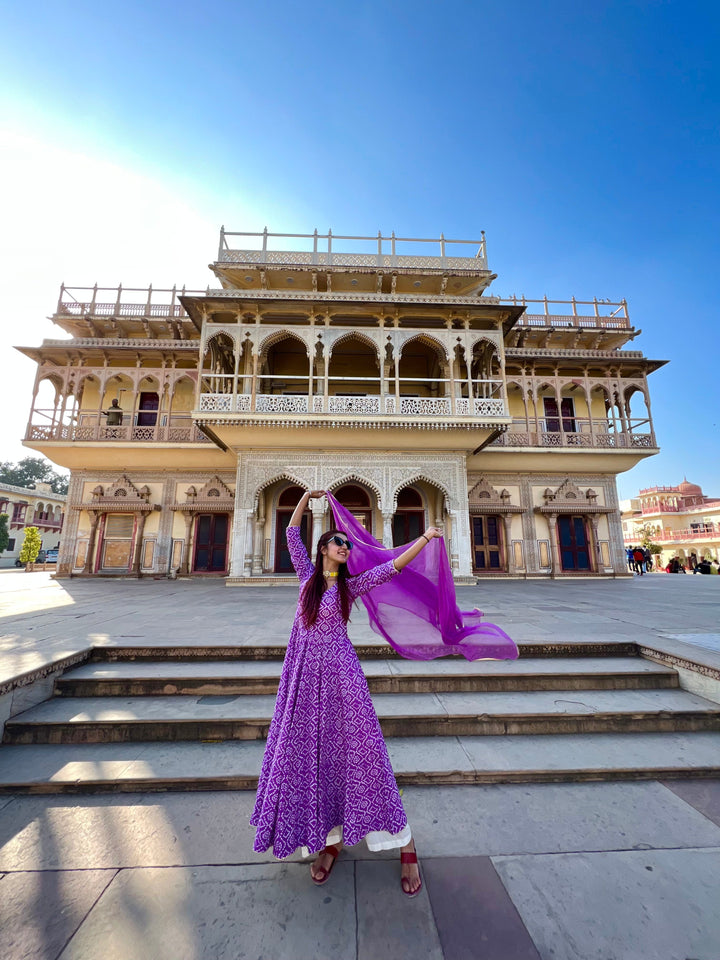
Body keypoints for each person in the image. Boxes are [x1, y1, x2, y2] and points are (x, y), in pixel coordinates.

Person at [251, 489, 442, 897]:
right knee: (315, 760)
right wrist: (304, 497)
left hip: (342, 679)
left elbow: (390, 568)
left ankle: (405, 844)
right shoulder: (307, 577)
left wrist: (425, 538)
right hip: (303, 680)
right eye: (339, 541)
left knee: (362, 755)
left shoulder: (349, 588)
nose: (345, 546)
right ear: (323, 548)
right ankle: (330, 840)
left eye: (348, 544)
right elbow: (289, 532)